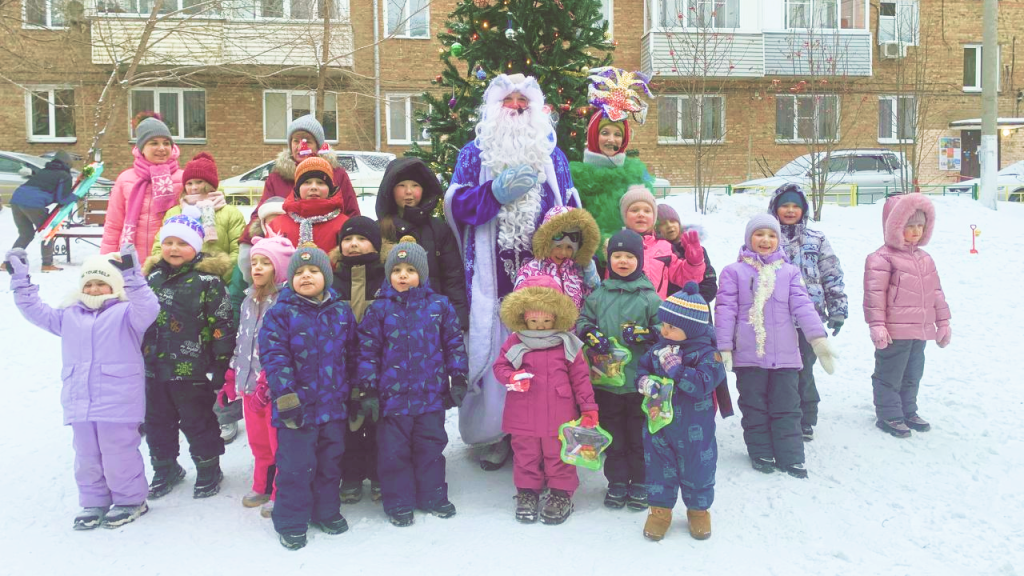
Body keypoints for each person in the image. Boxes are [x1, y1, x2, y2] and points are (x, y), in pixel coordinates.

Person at [444, 73, 580, 471]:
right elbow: (455, 206)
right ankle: (497, 434)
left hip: (544, 279)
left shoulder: (552, 155)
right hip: (492, 277)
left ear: (536, 109)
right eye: (510, 101)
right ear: (494, 108)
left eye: (524, 102)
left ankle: (542, 433)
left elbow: (569, 211)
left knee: (544, 358)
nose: (518, 108)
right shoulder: (474, 153)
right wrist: (493, 195)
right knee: (498, 358)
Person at [7, 245, 157, 529]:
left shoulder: (127, 314)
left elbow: (149, 307)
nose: (95, 288)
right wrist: (20, 281)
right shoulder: (68, 316)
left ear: (114, 286)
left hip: (118, 400)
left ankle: (131, 499)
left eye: (102, 283)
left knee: (118, 453)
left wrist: (132, 275)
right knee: (86, 455)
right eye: (89, 283)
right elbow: (34, 311)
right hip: (80, 399)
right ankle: (94, 502)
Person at [714, 215, 837, 479]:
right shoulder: (733, 272)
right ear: (749, 239)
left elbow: (803, 306)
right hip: (749, 355)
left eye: (771, 235)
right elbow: (725, 310)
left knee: (788, 406)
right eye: (759, 235)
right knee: (755, 406)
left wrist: (818, 339)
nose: (766, 240)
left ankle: (791, 455)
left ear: (778, 240)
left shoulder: (789, 272)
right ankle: (760, 451)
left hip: (785, 357)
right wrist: (724, 347)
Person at [356, 240, 469, 527]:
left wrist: (458, 376)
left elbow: (454, 343)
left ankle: (432, 495)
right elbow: (367, 351)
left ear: (423, 273)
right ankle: (399, 502)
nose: (403, 275)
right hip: (391, 400)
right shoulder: (379, 310)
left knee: (430, 447)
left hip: (430, 396)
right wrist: (367, 389)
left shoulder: (439, 306)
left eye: (410, 270)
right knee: (394, 453)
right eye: (396, 270)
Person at [258, 244, 357, 550]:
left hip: (333, 407)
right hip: (295, 409)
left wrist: (355, 391)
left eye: (314, 271)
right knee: (295, 467)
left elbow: (353, 354)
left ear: (326, 276)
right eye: (299, 272)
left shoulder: (341, 312)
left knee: (330, 463)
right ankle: (291, 520)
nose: (306, 276)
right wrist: (285, 396)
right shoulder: (280, 314)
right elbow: (274, 357)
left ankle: (325, 511)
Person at [151, 152, 246, 443]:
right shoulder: (173, 213)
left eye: (200, 183)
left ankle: (223, 413)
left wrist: (215, 273)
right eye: (189, 183)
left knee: (222, 355)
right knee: (186, 357)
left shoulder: (229, 213)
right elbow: (159, 248)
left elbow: (238, 251)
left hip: (220, 289)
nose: (194, 189)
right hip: (179, 294)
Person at [141, 206, 235, 499]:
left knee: (198, 421)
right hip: (153, 367)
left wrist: (221, 366)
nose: (174, 248)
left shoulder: (209, 282)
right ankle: (165, 467)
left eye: (182, 243)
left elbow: (222, 324)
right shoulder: (151, 278)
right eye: (169, 242)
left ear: (194, 247)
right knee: (157, 422)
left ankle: (208, 467)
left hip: (193, 370)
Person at [493, 275, 598, 525]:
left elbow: (581, 379)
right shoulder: (515, 341)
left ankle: (561, 494)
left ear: (557, 316)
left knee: (559, 454)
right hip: (523, 414)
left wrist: (588, 409)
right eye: (534, 320)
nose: (540, 326)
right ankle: (528, 492)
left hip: (559, 415)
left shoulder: (568, 344)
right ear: (523, 316)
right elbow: (500, 367)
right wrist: (512, 376)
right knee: (525, 454)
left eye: (547, 320)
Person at [577, 229, 662, 511]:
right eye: (617, 256)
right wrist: (589, 333)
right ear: (609, 259)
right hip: (606, 382)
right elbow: (582, 320)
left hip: (638, 380)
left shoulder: (648, 297)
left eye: (629, 256)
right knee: (613, 435)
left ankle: (640, 482)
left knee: (638, 436)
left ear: (638, 259)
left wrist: (648, 334)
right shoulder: (599, 295)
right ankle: (616, 482)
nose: (623, 261)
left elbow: (664, 329)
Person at [636, 282, 725, 542]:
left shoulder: (709, 356)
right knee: (658, 469)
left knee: (699, 469)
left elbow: (702, 384)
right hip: (658, 424)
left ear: (692, 329)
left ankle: (698, 511)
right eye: (664, 324)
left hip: (695, 429)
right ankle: (659, 513)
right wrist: (645, 383)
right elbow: (641, 371)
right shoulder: (657, 349)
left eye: (671, 327)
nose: (664, 330)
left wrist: (678, 370)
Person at [864, 194, 951, 438]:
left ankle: (907, 410)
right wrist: (877, 325)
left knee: (913, 373)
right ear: (895, 226)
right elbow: (874, 296)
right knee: (890, 373)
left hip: (920, 330)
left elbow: (936, 293)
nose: (915, 231)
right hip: (895, 331)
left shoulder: (925, 259)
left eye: (919, 226)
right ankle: (889, 414)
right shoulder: (881, 258)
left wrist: (943, 322)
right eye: (909, 226)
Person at [222, 233, 295, 519]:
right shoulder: (248, 299)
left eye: (266, 263)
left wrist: (271, 378)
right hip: (249, 386)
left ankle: (280, 491)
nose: (258, 268)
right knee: (258, 442)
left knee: (279, 444)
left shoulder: (286, 303)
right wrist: (232, 374)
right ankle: (262, 485)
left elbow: (287, 346)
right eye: (255, 262)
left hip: (274, 388)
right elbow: (242, 340)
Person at [768, 184, 848, 440]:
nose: (790, 210)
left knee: (804, 368)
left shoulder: (817, 239)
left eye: (796, 206)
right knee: (778, 370)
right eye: (785, 205)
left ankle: (805, 415)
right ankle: (780, 412)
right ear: (775, 208)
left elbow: (832, 274)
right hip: (775, 319)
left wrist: (837, 309)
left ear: (803, 209)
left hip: (808, 319)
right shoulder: (765, 236)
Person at [656, 204, 733, 419]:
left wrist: (686, 296)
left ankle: (711, 408)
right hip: (670, 324)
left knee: (704, 365)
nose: (669, 226)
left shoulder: (697, 248)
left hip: (699, 322)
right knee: (673, 366)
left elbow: (709, 287)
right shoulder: (657, 252)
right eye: (662, 223)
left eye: (672, 220)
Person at [569, 67, 655, 253]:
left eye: (618, 135)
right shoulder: (576, 177)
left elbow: (648, 217)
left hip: (629, 259)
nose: (611, 139)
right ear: (593, 135)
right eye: (605, 132)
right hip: (586, 259)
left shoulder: (635, 174)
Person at [376, 157, 469, 329]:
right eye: (402, 186)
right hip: (389, 322)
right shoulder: (380, 229)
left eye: (415, 185)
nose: (409, 192)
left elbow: (453, 278)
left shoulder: (439, 230)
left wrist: (458, 321)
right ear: (390, 189)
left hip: (433, 321)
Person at [331, 216, 386, 504]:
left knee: (379, 423)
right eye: (348, 240)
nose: (353, 244)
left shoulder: (387, 279)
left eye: (362, 239)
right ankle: (351, 475)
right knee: (348, 425)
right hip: (342, 368)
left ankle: (378, 474)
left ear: (375, 244)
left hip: (381, 366)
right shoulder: (331, 281)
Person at [240, 115, 359, 244]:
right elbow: (261, 214)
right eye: (296, 141)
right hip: (284, 249)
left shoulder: (337, 175)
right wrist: (247, 243)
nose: (300, 146)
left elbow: (352, 214)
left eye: (307, 141)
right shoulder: (277, 178)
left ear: (318, 145)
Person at [101, 113, 183, 260]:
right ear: (141, 148)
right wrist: (106, 260)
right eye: (154, 143)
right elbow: (114, 225)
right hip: (131, 259)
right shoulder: (125, 179)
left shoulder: (183, 179)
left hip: (171, 260)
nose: (162, 148)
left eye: (166, 143)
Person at [618, 186, 705, 299]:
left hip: (655, 313)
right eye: (634, 210)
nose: (641, 214)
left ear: (654, 218)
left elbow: (685, 279)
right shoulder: (616, 244)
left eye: (647, 211)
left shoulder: (665, 247)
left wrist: (695, 263)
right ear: (625, 216)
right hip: (622, 314)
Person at [513, 205, 601, 310]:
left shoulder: (578, 270)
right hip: (543, 325)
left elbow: (593, 302)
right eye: (558, 246)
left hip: (577, 326)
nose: (563, 252)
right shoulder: (532, 270)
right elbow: (518, 306)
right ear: (546, 243)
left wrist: (591, 278)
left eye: (569, 247)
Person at [7, 150, 75, 272]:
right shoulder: (65, 176)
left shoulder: (44, 171)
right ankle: (47, 264)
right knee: (47, 232)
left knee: (25, 234)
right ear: (68, 163)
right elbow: (62, 199)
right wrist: (76, 196)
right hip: (34, 204)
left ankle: (8, 263)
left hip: (16, 200)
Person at [269, 154, 350, 256]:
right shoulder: (277, 225)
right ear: (298, 189)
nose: (314, 187)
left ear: (330, 189)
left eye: (320, 183)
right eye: (307, 182)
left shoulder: (344, 224)